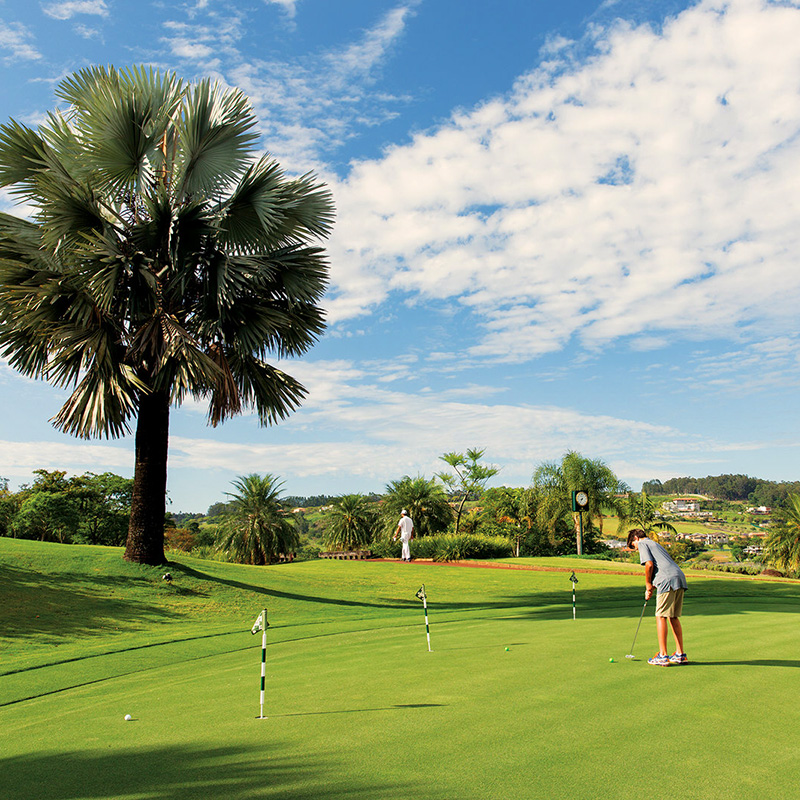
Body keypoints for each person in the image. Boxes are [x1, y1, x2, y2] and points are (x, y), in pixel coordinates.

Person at [627, 528, 688, 666]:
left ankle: (663, 655)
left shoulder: (643, 543)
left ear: (635, 538)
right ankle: (680, 654)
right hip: (679, 577)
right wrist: (652, 586)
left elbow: (649, 565)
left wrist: (648, 584)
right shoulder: (655, 544)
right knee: (673, 616)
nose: (635, 549)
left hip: (667, 579)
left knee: (661, 616)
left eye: (633, 545)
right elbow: (661, 566)